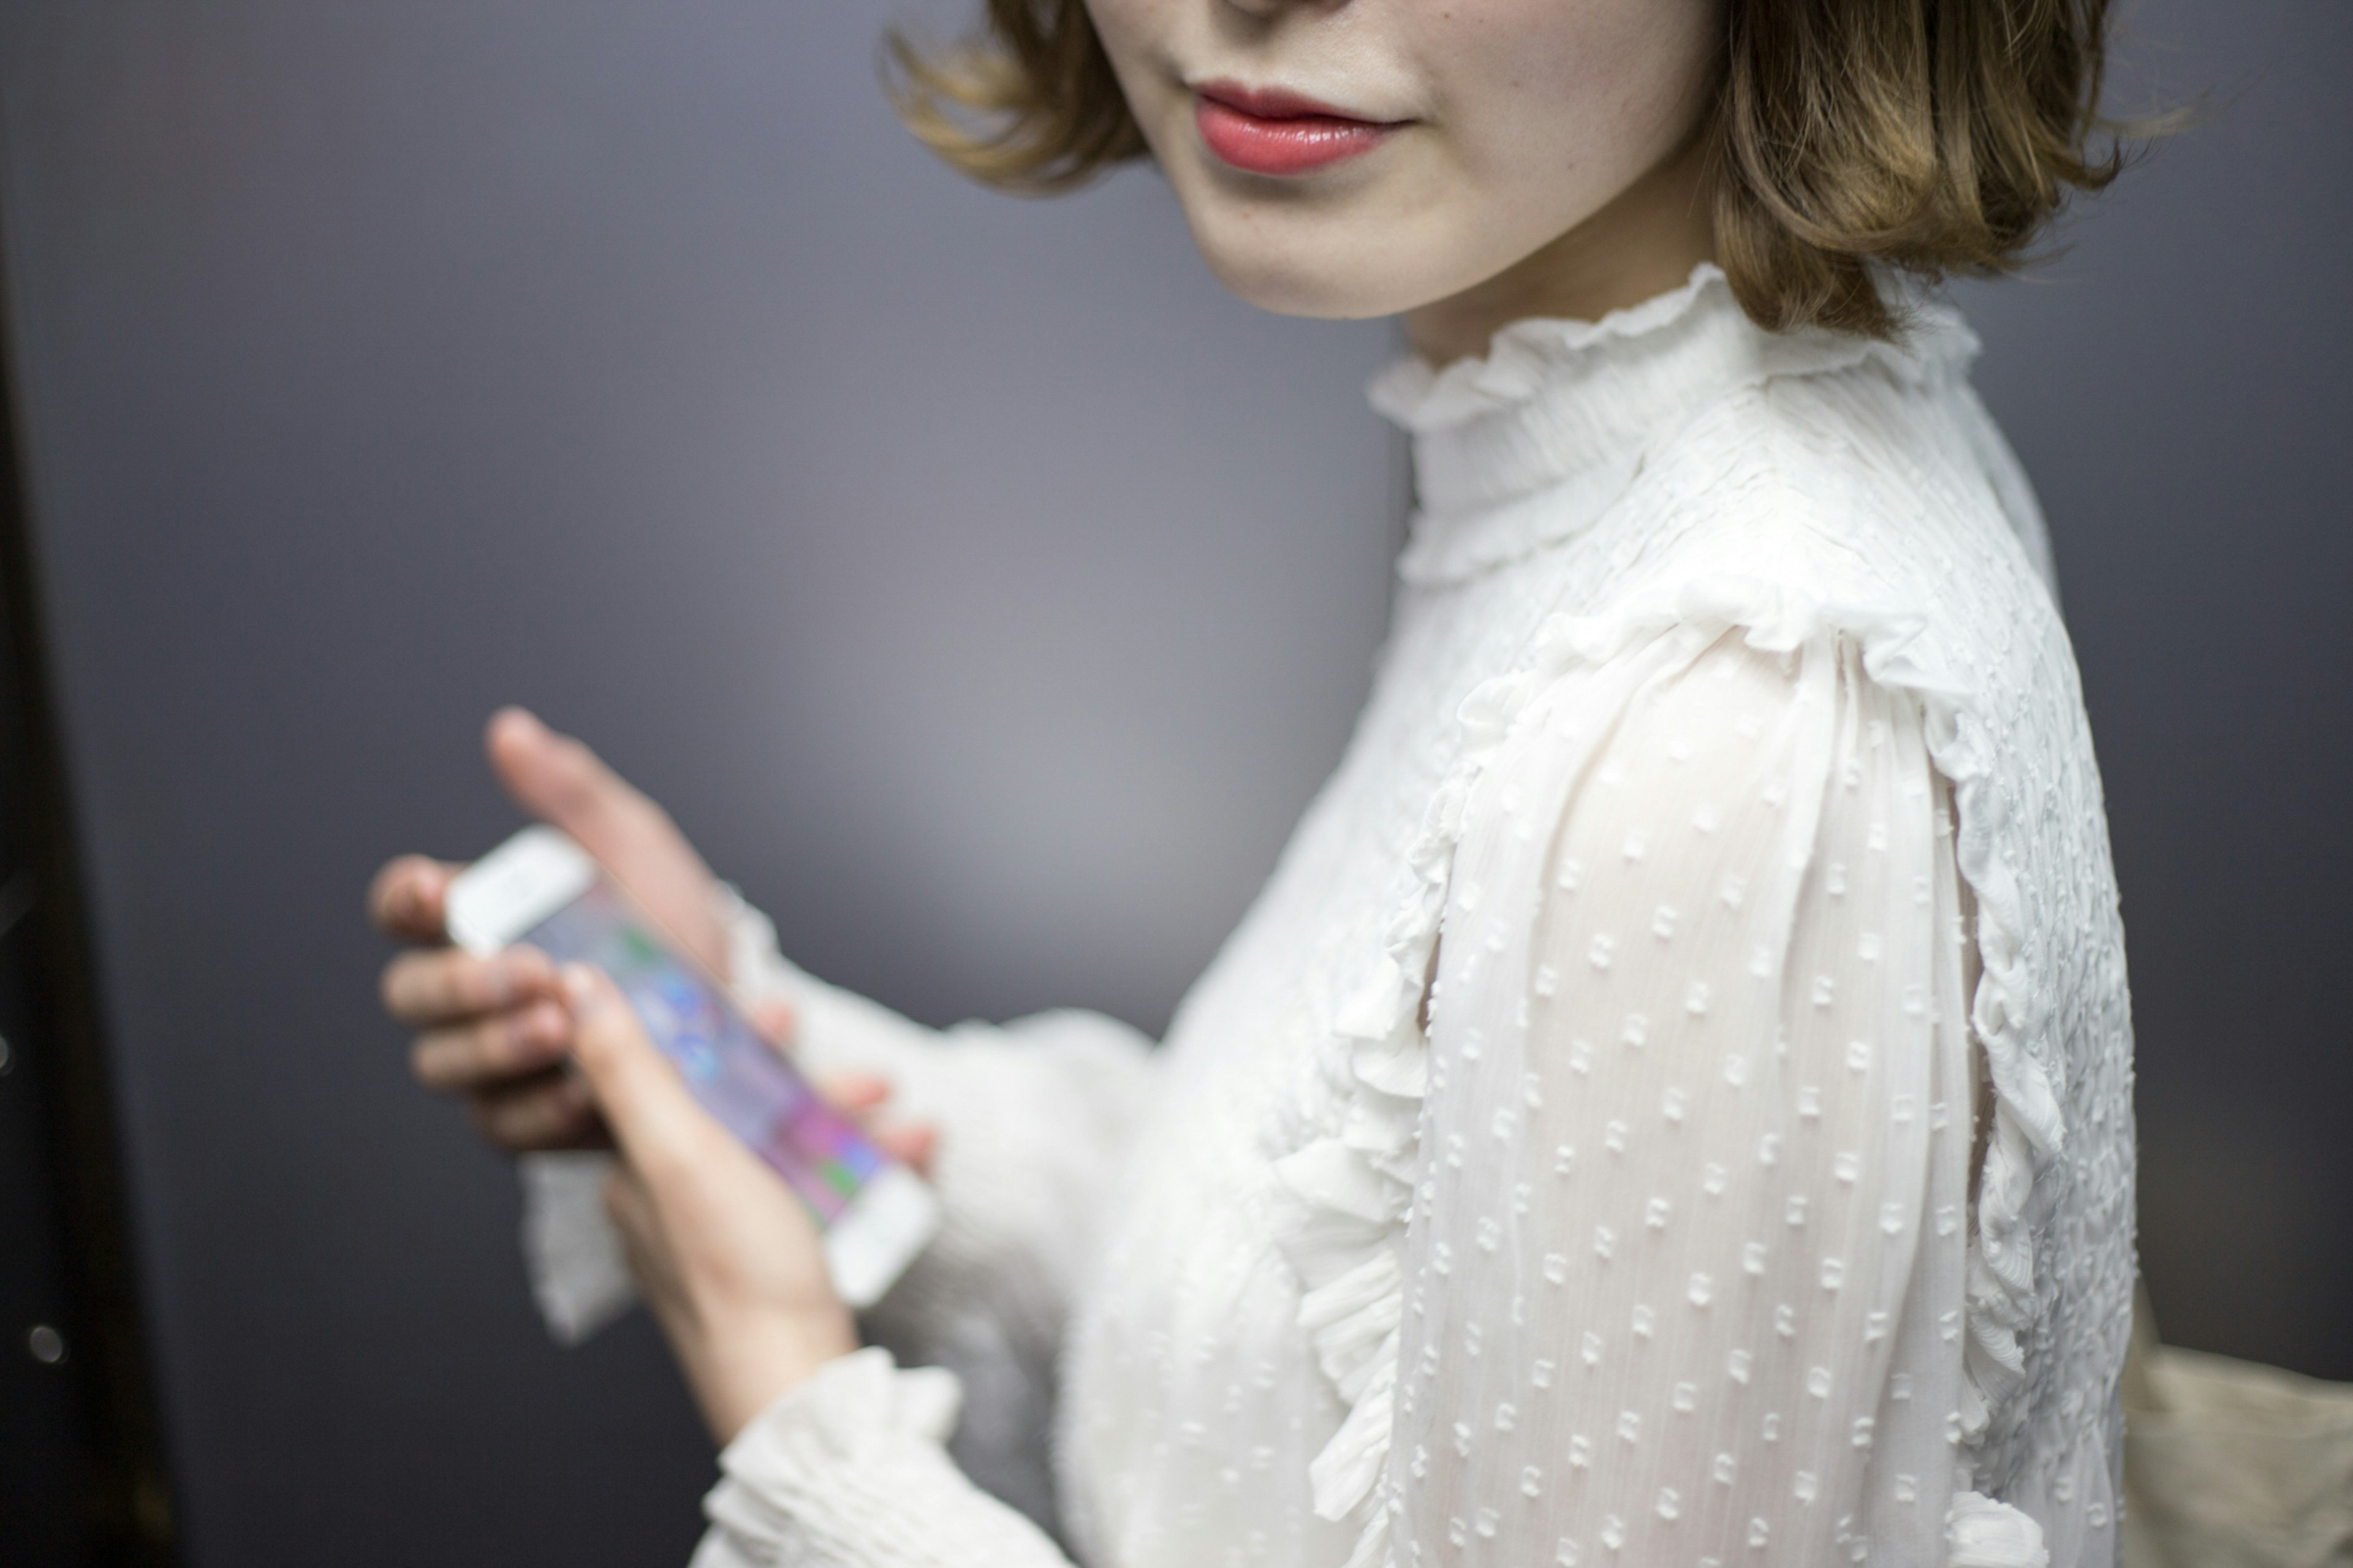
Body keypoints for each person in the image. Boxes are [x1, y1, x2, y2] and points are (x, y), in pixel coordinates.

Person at [371, 0, 2140, 1562]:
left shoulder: (1736, 715)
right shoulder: (1618, 464)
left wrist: (799, 1426)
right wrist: (769, 1090)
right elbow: (1314, 1347)